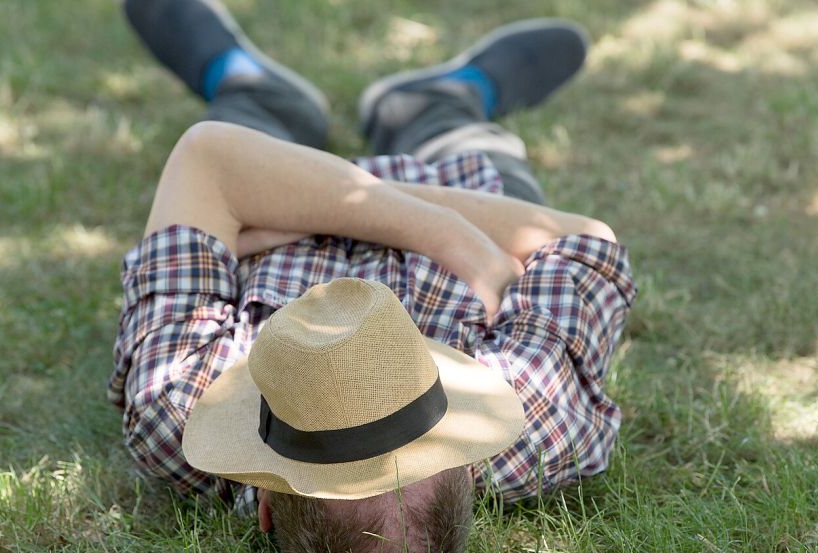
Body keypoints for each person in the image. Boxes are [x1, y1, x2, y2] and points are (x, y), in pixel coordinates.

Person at [109, 1, 637, 551]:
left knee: (247, 122)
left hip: (302, 201)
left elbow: (208, 157)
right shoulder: (537, 421)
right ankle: (443, 102)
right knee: (468, 144)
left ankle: (252, 87)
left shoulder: (179, 408)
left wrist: (435, 232)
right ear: (473, 471)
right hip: (453, 192)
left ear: (264, 503)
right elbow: (584, 239)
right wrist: (433, 223)